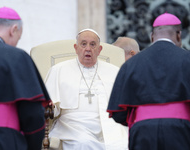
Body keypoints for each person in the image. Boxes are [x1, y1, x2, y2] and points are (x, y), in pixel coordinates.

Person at [107, 12, 190, 150]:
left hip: (143, 131)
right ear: (179, 35)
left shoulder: (131, 64)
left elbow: (119, 114)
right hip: (180, 130)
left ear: (152, 37)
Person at [45, 29, 128, 150]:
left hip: (109, 124)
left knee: (122, 144)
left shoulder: (114, 71)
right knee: (83, 143)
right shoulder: (58, 70)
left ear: (99, 50)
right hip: (73, 125)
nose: (88, 48)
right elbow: (51, 105)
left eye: (92, 44)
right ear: (76, 48)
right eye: (83, 44)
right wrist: (50, 105)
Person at [0, 7, 51, 150]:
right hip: (1, 140)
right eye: (19, 37)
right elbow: (33, 114)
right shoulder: (16, 56)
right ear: (14, 29)